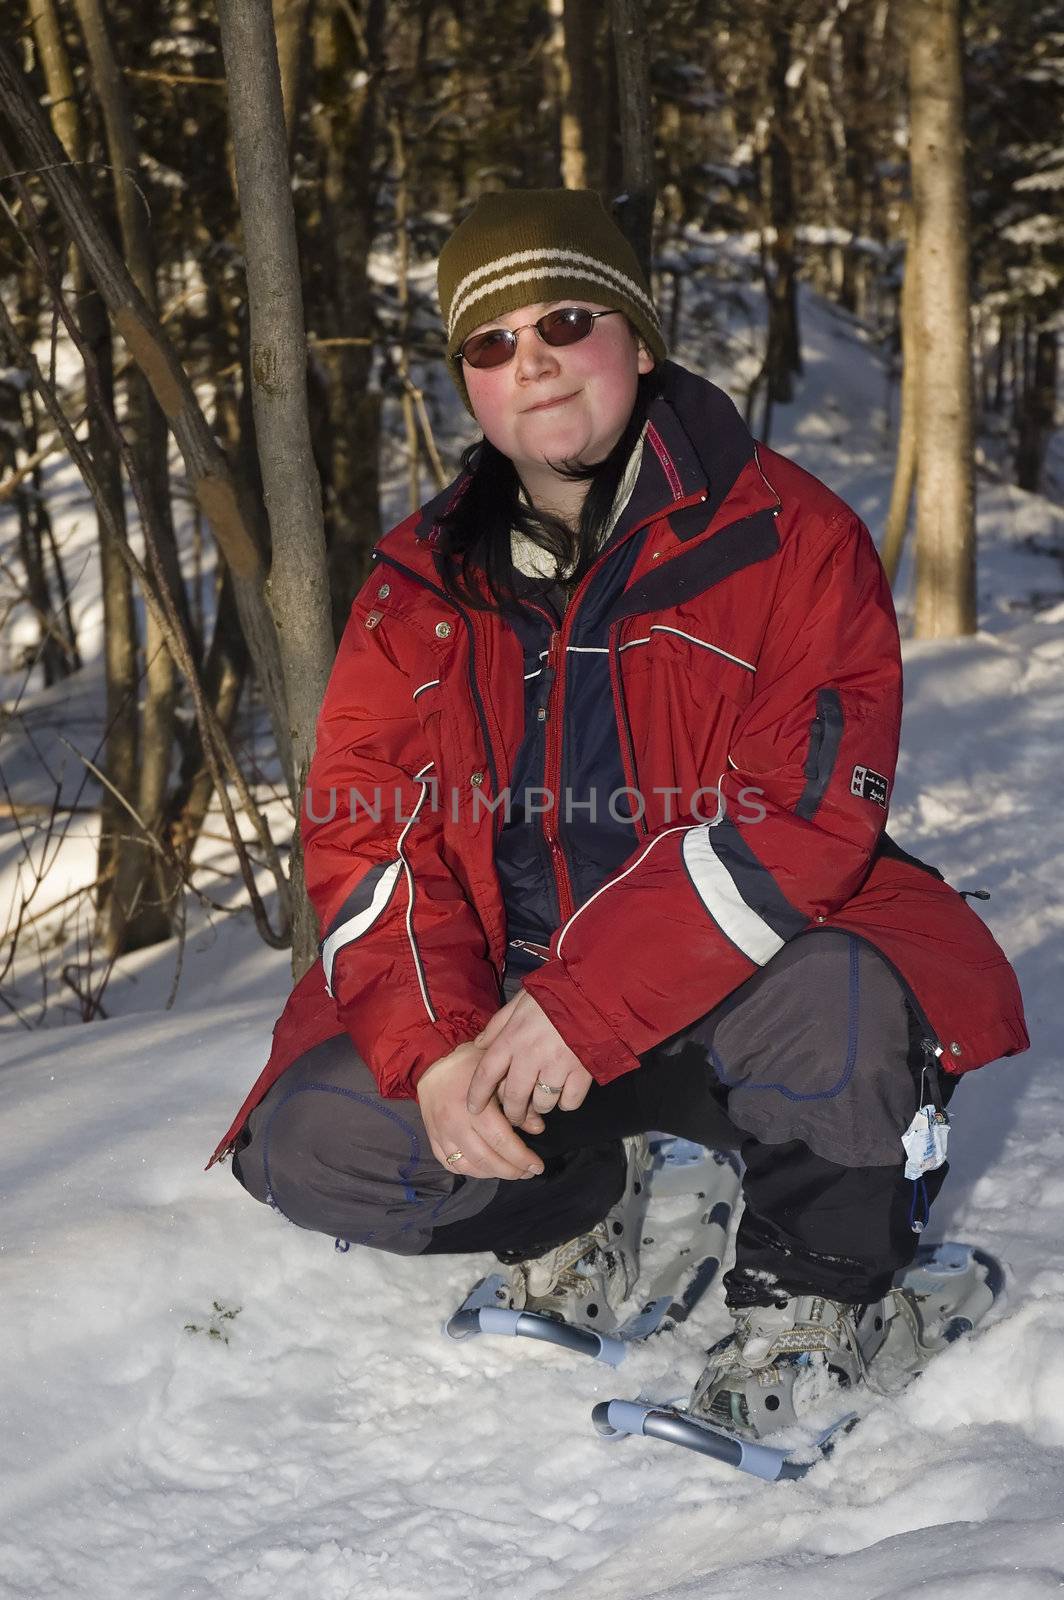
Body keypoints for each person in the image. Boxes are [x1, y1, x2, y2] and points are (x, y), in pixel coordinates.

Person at [211, 189, 1027, 1438]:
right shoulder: (415, 586)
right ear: (467, 386)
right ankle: (593, 1202)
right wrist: (436, 1054)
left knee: (838, 999)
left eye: (565, 320)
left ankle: (820, 1295)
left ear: (638, 342)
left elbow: (799, 821)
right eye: (490, 343)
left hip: (732, 998)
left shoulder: (787, 540)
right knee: (315, 1137)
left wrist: (585, 1006)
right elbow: (371, 837)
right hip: (524, 1018)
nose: (528, 362)